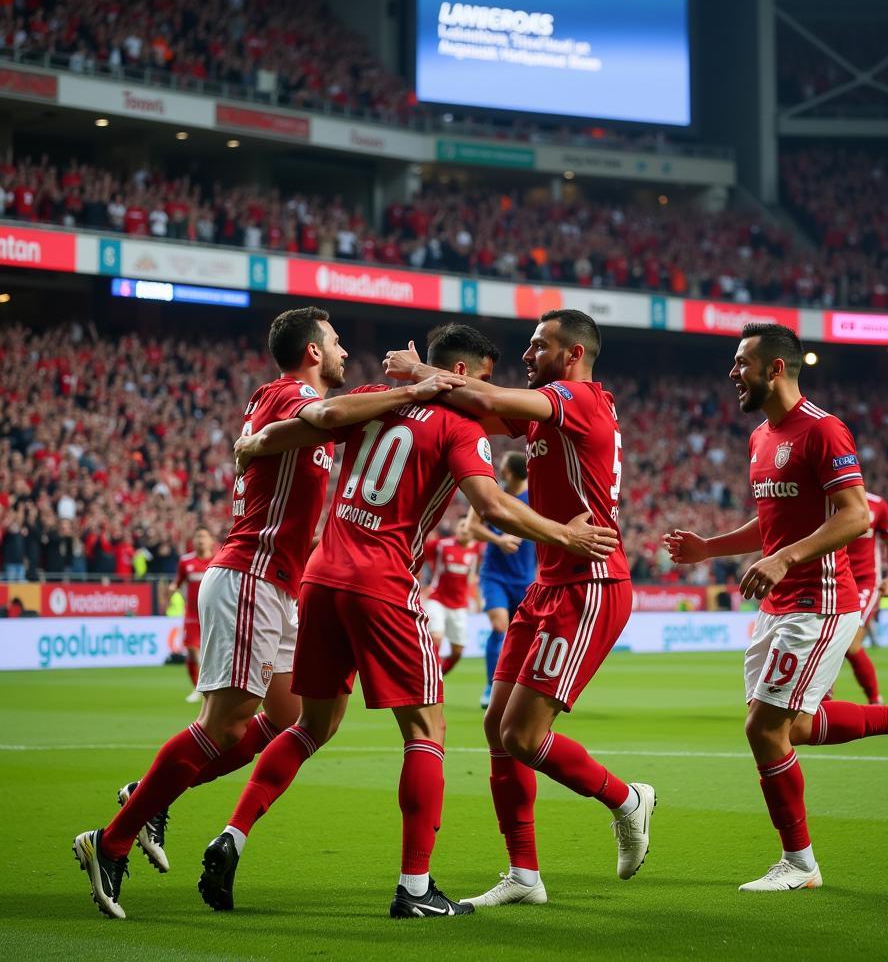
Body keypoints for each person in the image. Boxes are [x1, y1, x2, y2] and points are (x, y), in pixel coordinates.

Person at [197, 322, 618, 920]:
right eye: (487, 376)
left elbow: (313, 423)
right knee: (427, 732)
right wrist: (564, 534)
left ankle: (232, 834)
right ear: (465, 374)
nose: (490, 387)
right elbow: (493, 506)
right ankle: (415, 889)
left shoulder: (373, 400)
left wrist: (256, 443)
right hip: (383, 582)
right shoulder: (459, 424)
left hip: (319, 578)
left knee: (309, 726)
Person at [72, 306, 461, 920]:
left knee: (288, 719)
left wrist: (254, 443)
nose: (341, 353)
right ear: (311, 350)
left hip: (281, 585)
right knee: (225, 725)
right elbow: (327, 417)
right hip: (250, 574)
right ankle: (113, 838)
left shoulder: (284, 407)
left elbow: (282, 440)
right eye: (334, 343)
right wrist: (416, 387)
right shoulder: (294, 393)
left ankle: (147, 797)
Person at [385, 309, 655, 909]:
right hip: (551, 582)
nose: (528, 355)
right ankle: (524, 874)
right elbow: (484, 407)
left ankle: (626, 799)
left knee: (524, 735)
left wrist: (419, 368)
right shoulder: (548, 412)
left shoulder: (577, 397)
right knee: (497, 730)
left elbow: (486, 393)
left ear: (574, 355)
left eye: (540, 346)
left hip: (590, 582)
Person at [664, 323, 888, 892]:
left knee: (763, 730)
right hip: (781, 601)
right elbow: (770, 524)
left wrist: (786, 560)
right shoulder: (761, 437)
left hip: (819, 601)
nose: (731, 372)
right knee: (796, 725)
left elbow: (854, 515)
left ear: (775, 368)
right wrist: (709, 549)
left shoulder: (824, 430)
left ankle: (800, 863)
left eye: (741, 362)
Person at [466, 450, 536, 709]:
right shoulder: (492, 493)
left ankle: (516, 688)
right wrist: (499, 539)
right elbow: (470, 527)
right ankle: (489, 685)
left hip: (525, 578)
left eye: (502, 466)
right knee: (499, 626)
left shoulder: (537, 496)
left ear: (507, 472)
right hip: (494, 575)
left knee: (524, 636)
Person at [841, 490, 888, 703]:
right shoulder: (828, 501)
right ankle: (822, 703)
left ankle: (875, 700)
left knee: (850, 644)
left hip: (866, 582)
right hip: (835, 582)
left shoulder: (877, 505)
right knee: (828, 644)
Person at [422, 518, 480, 676]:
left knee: (458, 651)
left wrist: (476, 599)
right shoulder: (442, 545)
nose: (465, 530)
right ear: (456, 529)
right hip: (437, 599)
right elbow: (420, 553)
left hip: (460, 605)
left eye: (469, 527)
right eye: (462, 526)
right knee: (436, 637)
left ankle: (438, 676)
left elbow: (472, 577)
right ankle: (429, 676)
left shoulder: (476, 550)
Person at [168, 525, 217, 703]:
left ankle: (210, 686)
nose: (200, 540)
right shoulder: (185, 562)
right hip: (192, 613)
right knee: (191, 649)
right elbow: (178, 582)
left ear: (211, 540)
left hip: (214, 613)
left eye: (203, 537)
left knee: (211, 651)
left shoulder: (219, 559)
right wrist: (171, 589)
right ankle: (199, 687)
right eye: (197, 537)